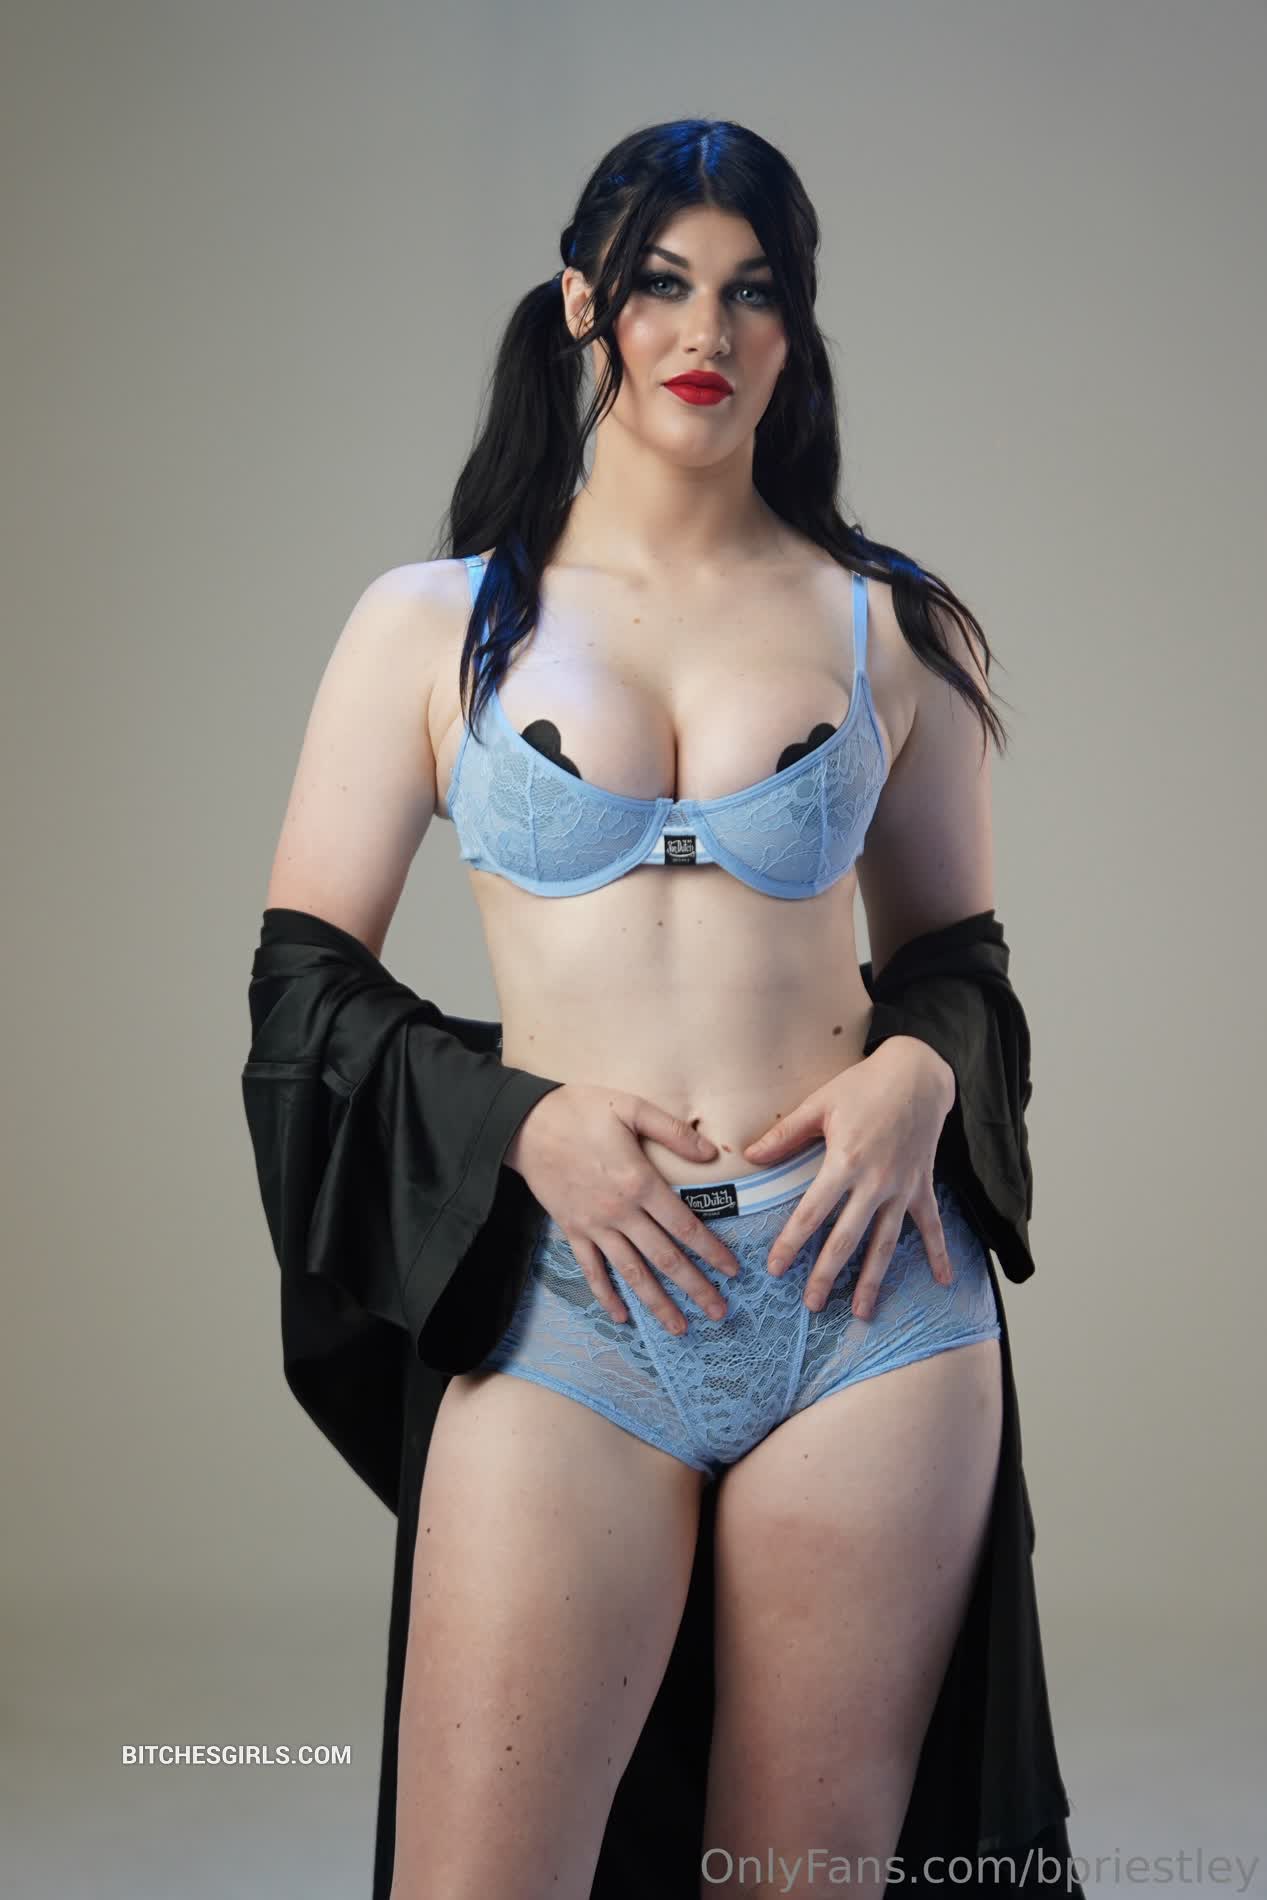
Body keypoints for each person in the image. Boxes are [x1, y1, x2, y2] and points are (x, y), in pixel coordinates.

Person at [257, 118, 1082, 1899]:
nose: (708, 331)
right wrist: (521, 1125)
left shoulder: (894, 628)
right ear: (584, 305)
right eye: (663, 285)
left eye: (754, 292)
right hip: (576, 1298)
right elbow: (303, 988)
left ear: (796, 330)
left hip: (871, 1297)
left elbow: (961, 965)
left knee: (797, 1879)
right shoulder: (431, 626)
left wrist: (923, 1076)